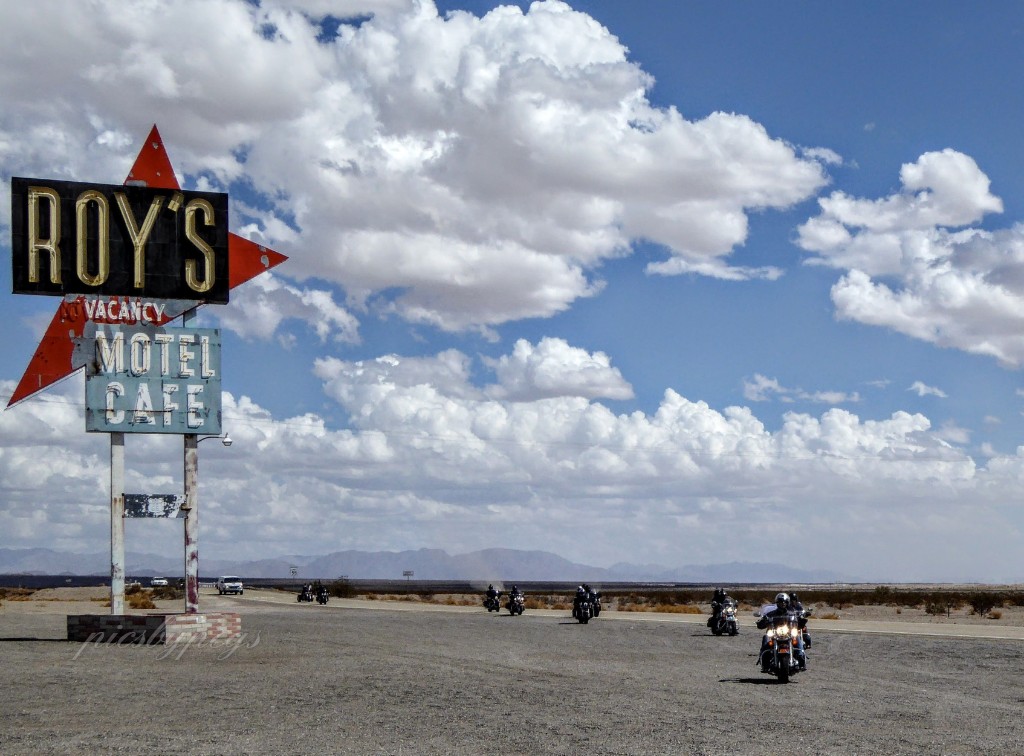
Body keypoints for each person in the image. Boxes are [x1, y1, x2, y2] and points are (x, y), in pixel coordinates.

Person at [756, 592, 806, 671]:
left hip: (788, 634)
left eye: (784, 602)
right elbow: (761, 624)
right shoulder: (771, 614)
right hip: (775, 634)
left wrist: (802, 620)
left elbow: (799, 622)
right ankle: (764, 661)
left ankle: (801, 658)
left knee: (797, 637)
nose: (782, 604)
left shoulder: (792, 614)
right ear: (777, 603)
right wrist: (762, 621)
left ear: (787, 603)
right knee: (766, 637)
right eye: (780, 602)